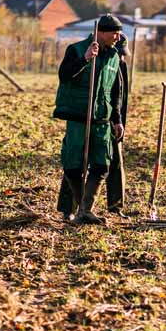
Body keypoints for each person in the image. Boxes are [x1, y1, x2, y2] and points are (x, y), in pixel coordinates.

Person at [53, 14, 125, 224]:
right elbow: (64, 75)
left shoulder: (114, 56)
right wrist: (85, 59)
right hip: (78, 117)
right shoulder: (76, 50)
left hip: (102, 119)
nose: (118, 37)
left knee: (102, 165)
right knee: (73, 166)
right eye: (114, 32)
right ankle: (82, 209)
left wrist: (117, 119)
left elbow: (115, 91)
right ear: (100, 32)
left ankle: (85, 210)